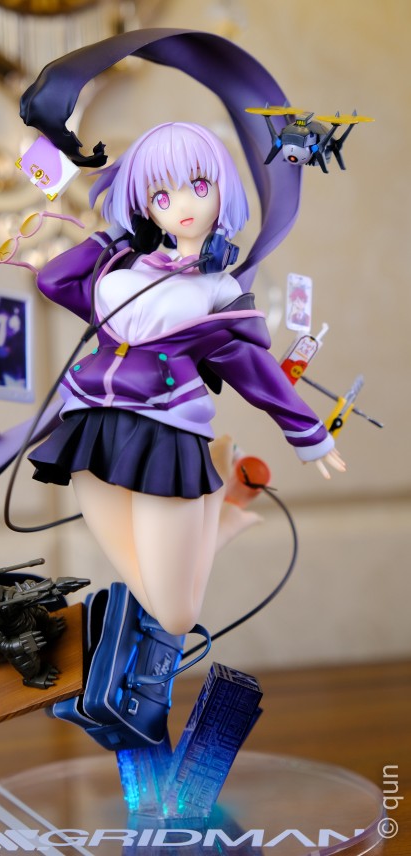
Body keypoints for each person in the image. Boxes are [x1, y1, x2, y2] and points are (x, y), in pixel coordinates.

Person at [25, 122, 345, 637]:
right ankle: (219, 513)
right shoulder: (122, 268)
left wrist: (306, 430)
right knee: (142, 580)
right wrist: (113, 235)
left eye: (198, 185)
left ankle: (216, 506)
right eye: (160, 195)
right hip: (88, 428)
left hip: (164, 433)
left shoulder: (218, 288)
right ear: (145, 207)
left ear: (222, 190)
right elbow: (53, 279)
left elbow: (249, 363)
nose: (182, 205)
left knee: (175, 615)